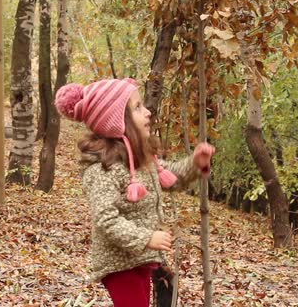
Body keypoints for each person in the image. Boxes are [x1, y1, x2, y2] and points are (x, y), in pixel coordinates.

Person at [54, 78, 215, 307]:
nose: (148, 112)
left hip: (140, 258)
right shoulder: (103, 169)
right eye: (137, 107)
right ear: (116, 120)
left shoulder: (142, 160)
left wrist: (195, 163)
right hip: (119, 264)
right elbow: (105, 219)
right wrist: (146, 238)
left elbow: (170, 178)